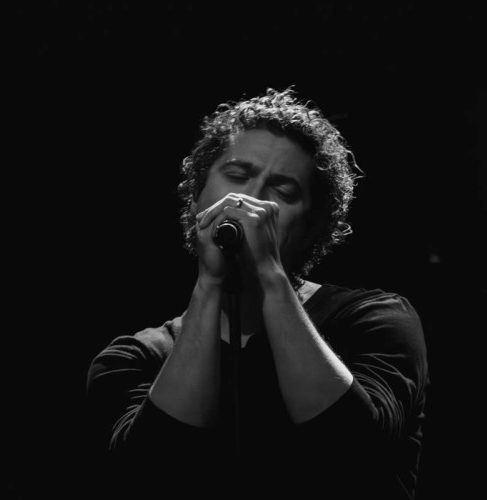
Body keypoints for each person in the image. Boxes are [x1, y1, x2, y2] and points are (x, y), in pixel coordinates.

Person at [85, 87, 429, 499]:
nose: (252, 198)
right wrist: (210, 285)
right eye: (236, 175)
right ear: (196, 199)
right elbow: (151, 471)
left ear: (311, 229)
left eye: (283, 190)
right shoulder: (136, 358)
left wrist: (269, 273)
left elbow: (352, 451)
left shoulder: (374, 320)